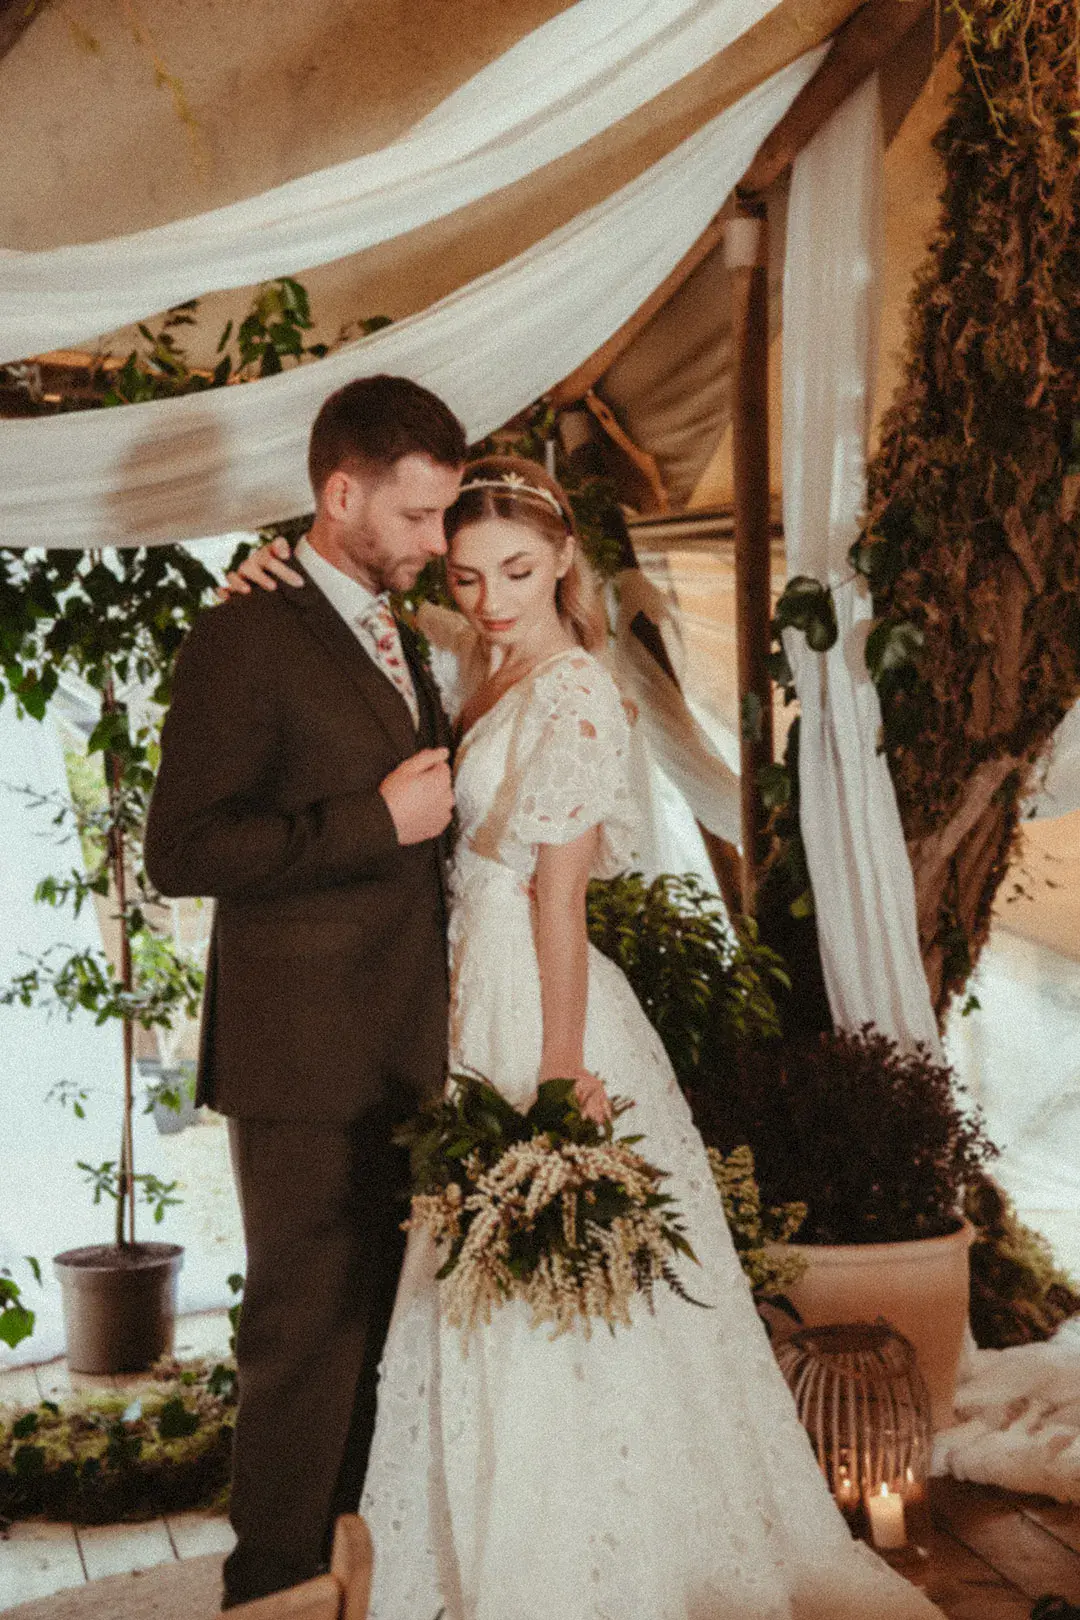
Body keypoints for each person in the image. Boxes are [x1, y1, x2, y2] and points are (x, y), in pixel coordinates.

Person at [229, 453, 946, 1620]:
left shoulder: (577, 693)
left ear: (566, 558)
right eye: (465, 576)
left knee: (537, 1287)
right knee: (467, 1291)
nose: (492, 597)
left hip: (533, 999)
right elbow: (361, 606)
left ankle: (570, 1564)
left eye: (517, 569)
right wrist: (270, 566)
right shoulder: (480, 655)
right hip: (455, 992)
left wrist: (560, 1077)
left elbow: (558, 902)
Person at [143, 374, 467, 1608]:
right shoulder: (243, 631)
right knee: (301, 1338)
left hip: (396, 1045)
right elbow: (187, 848)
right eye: (419, 517)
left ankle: (346, 1573)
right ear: (341, 495)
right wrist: (371, 821)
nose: (436, 545)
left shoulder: (385, 625)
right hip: (300, 1053)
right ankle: (267, 1590)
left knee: (371, 1334)